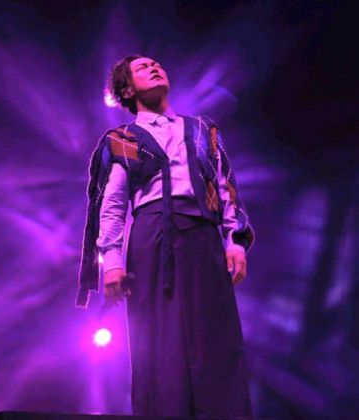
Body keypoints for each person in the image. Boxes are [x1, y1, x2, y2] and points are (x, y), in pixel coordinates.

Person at [76, 54, 255, 419]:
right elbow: (113, 204)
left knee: (216, 336)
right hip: (153, 237)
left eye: (156, 64)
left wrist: (234, 240)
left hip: (203, 236)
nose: (154, 68)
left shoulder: (201, 129)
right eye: (142, 68)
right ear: (127, 89)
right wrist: (113, 262)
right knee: (160, 341)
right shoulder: (123, 139)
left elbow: (224, 187)